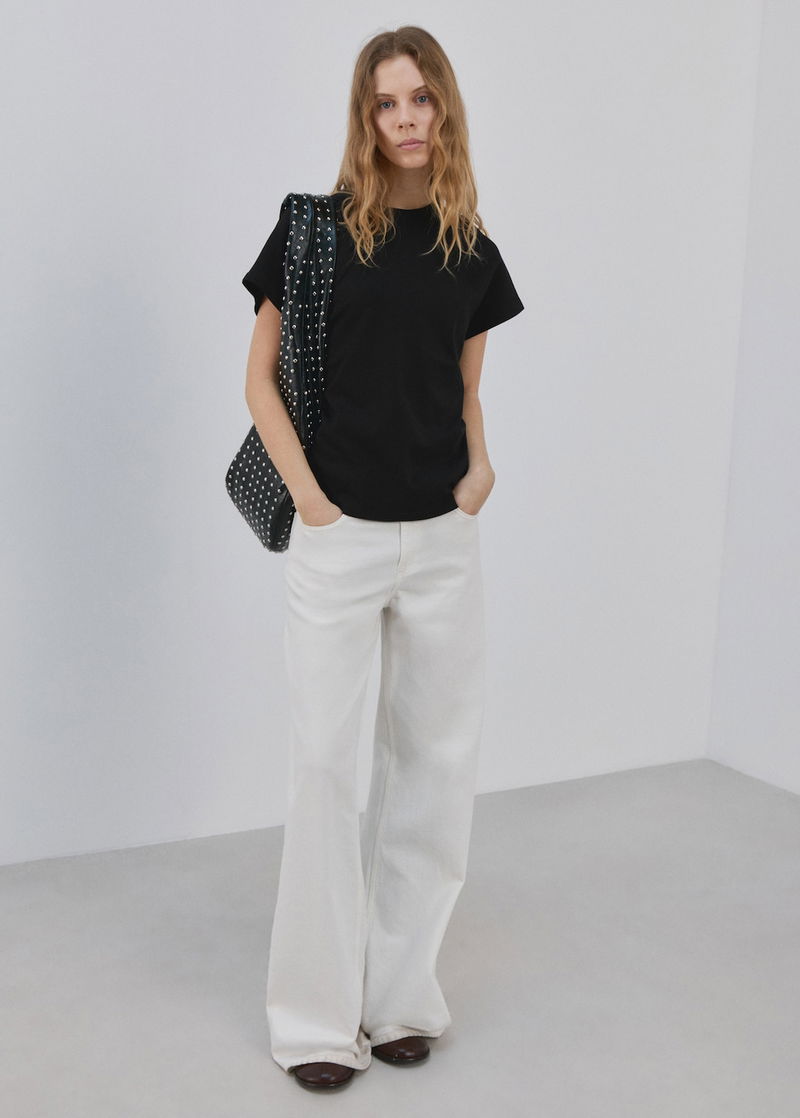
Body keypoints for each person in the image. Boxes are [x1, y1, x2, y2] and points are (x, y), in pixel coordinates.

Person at [241, 26, 524, 1092]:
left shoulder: (469, 246)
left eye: (421, 99)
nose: (405, 118)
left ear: (444, 108)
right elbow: (259, 379)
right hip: (341, 538)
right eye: (386, 101)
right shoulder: (312, 230)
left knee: (433, 768)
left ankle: (401, 996)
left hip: (443, 539)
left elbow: (464, 385)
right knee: (326, 768)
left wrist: (479, 469)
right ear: (365, 116)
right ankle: (314, 1019)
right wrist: (313, 501)